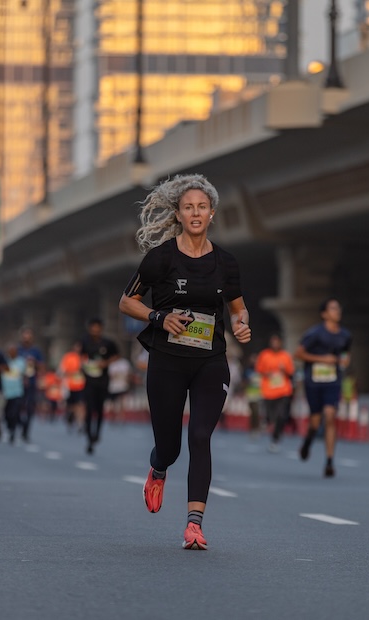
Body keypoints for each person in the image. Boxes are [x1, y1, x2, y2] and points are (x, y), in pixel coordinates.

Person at [119, 173, 251, 551]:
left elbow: (239, 310)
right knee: (170, 447)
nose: (196, 213)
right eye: (189, 207)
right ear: (178, 214)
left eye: (202, 207)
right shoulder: (160, 259)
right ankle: (158, 469)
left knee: (201, 436)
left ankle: (194, 524)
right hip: (168, 360)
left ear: (212, 213)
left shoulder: (226, 262)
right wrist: (159, 318)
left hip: (210, 360)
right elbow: (127, 301)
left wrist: (243, 326)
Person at [295, 298, 352, 478]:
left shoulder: (345, 334)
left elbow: (345, 352)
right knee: (314, 422)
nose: (337, 311)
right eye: (333, 308)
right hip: (313, 381)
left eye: (338, 308)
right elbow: (298, 354)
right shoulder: (315, 333)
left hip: (333, 381)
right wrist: (322, 359)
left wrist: (344, 359)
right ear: (324, 314)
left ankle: (329, 461)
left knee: (330, 416)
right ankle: (307, 442)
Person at [81, 318, 120, 454]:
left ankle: (97, 433)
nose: (95, 330)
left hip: (103, 381)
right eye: (93, 327)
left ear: (101, 328)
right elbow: (79, 356)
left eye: (98, 327)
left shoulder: (108, 343)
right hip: (89, 380)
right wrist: (84, 364)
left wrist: (106, 363)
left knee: (99, 409)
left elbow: (116, 355)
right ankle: (89, 436)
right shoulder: (84, 341)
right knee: (89, 409)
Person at [255, 334, 295, 453]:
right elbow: (259, 370)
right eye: (273, 342)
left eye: (277, 342)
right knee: (270, 416)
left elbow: (291, 373)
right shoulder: (264, 355)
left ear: (281, 343)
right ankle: (266, 422)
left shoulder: (286, 356)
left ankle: (275, 439)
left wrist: (283, 370)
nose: (275, 344)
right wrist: (269, 374)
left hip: (283, 390)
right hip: (268, 391)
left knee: (281, 415)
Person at [18, 328, 44, 442]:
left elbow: (42, 367)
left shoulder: (36, 351)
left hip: (32, 382)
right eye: (25, 337)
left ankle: (26, 430)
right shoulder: (17, 350)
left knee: (29, 407)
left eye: (29, 337)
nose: (26, 339)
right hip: (17, 383)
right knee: (17, 406)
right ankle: (20, 423)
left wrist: (35, 364)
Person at [2, 344, 26, 445]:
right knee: (6, 413)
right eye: (10, 351)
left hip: (17, 391)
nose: (11, 353)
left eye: (13, 351)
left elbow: (25, 373)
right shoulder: (3, 361)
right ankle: (9, 427)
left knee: (14, 412)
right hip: (4, 391)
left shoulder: (21, 362)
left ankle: (13, 430)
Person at [59, 341, 86, 432]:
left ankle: (80, 424)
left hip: (82, 386)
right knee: (71, 406)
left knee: (80, 405)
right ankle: (70, 416)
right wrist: (73, 373)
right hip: (70, 386)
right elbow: (62, 372)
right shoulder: (68, 357)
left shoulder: (84, 357)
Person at [106, 355, 133, 424]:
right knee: (113, 402)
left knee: (122, 401)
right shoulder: (112, 363)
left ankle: (121, 417)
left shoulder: (124, 363)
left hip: (122, 386)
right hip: (113, 387)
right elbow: (111, 375)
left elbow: (128, 374)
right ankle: (113, 417)